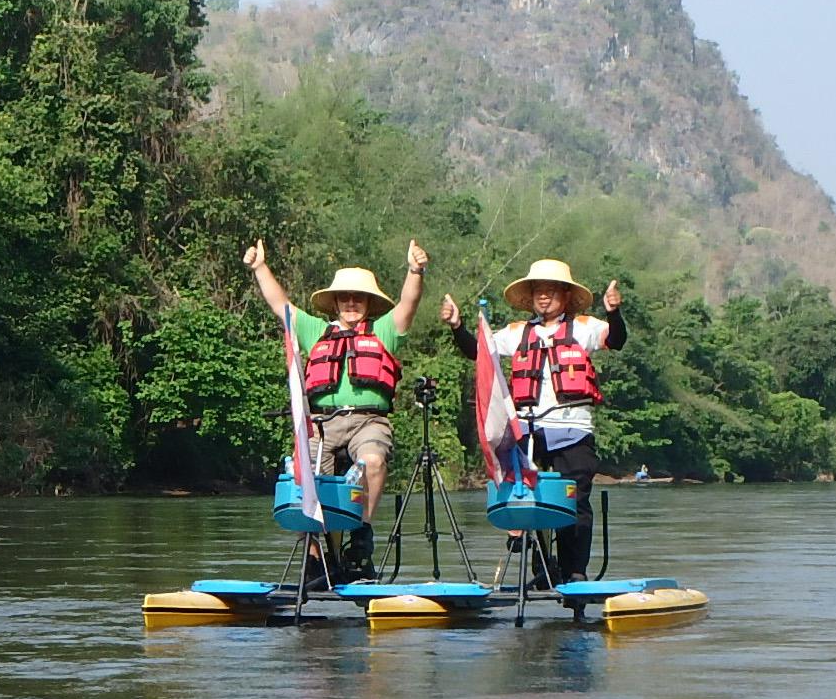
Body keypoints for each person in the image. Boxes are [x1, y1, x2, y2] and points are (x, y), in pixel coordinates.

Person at [245, 237, 429, 580]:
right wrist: (260, 268)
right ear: (335, 303)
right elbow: (280, 305)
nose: (350, 303)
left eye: (358, 298)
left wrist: (415, 270)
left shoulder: (383, 330)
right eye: (345, 297)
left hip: (368, 421)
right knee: (307, 477)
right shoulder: (317, 331)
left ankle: (361, 535)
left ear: (368, 304)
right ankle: (317, 557)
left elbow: (408, 302)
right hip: (322, 423)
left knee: (372, 461)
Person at [441, 259, 625, 584]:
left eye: (551, 291)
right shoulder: (517, 333)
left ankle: (574, 570)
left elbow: (616, 338)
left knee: (575, 498)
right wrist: (457, 326)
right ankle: (543, 567)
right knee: (529, 499)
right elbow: (478, 352)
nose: (544, 297)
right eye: (539, 292)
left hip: (572, 429)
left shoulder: (583, 327)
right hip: (526, 431)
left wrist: (613, 311)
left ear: (565, 296)